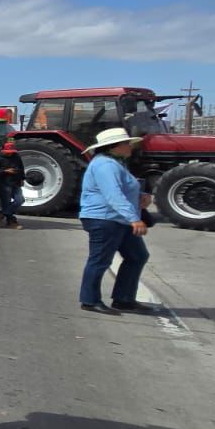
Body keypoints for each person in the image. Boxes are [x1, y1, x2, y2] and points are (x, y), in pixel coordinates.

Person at [76, 128, 153, 315]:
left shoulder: (115, 163)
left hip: (117, 218)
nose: (130, 147)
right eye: (127, 143)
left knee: (137, 256)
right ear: (115, 146)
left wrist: (140, 196)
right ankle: (90, 300)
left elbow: (122, 190)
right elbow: (113, 194)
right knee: (100, 260)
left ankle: (124, 299)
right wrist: (134, 218)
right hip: (105, 218)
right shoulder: (105, 165)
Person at [0, 141, 25, 230]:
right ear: (3, 150)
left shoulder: (16, 156)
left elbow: (21, 167)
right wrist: (5, 171)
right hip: (3, 183)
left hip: (16, 181)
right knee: (6, 202)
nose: (10, 154)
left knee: (20, 200)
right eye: (8, 152)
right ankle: (11, 221)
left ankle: (0, 214)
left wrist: (22, 178)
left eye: (12, 152)